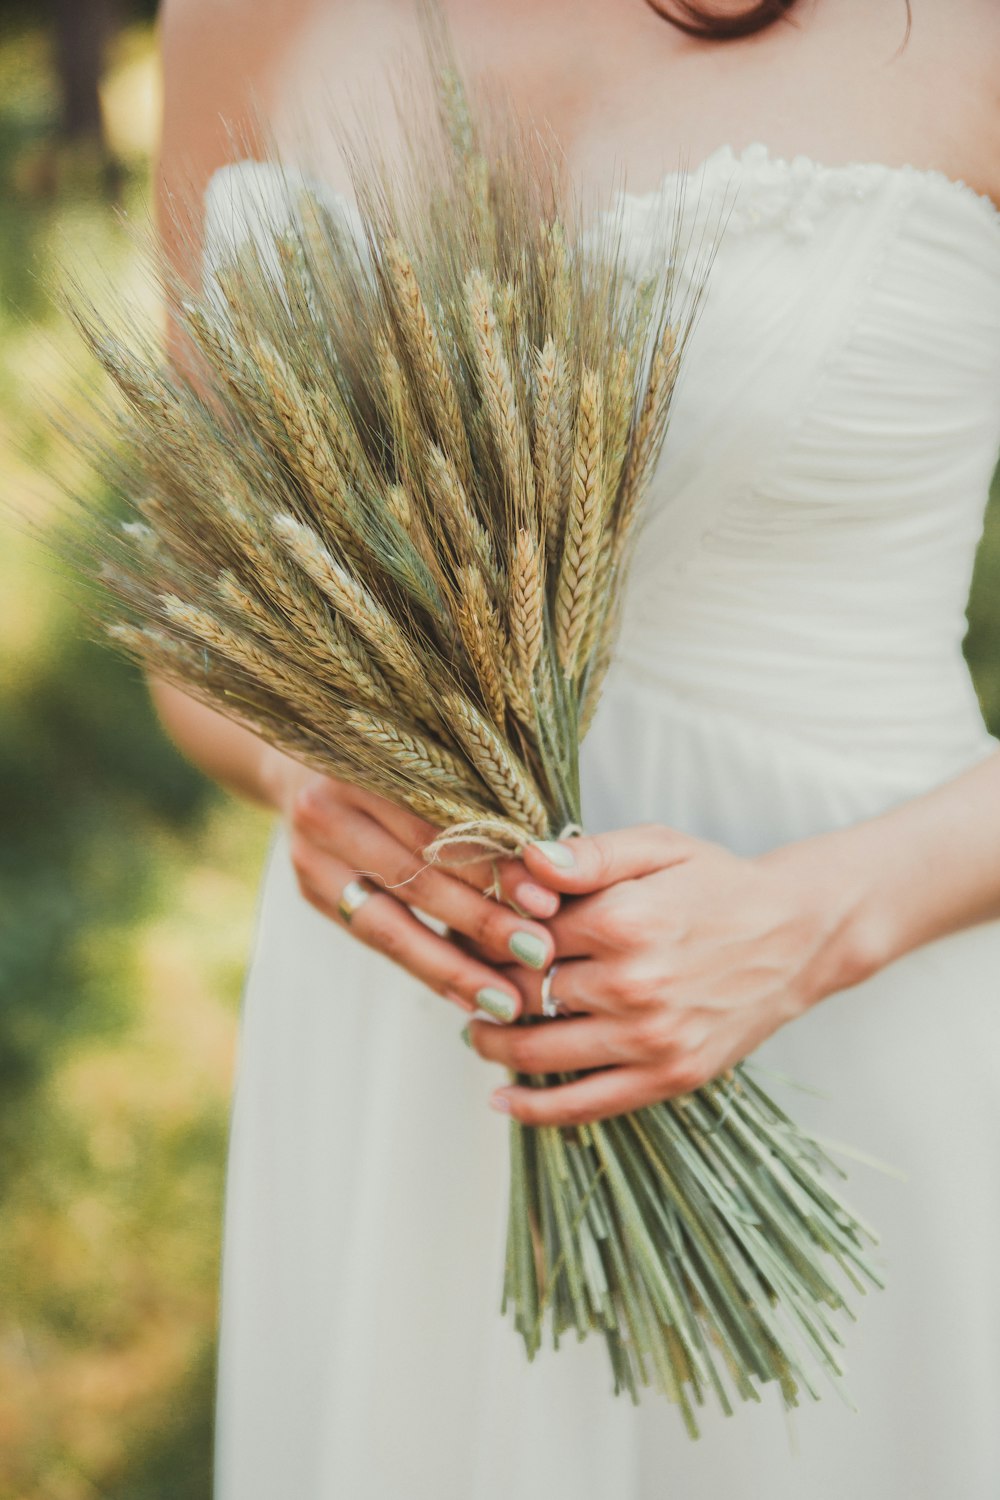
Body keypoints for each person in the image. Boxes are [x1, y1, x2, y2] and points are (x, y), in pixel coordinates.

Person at [154, 1, 1000, 1495]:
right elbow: (194, 603)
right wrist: (306, 774)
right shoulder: (236, 15)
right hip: (414, 1049)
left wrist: (818, 926)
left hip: (863, 1024)